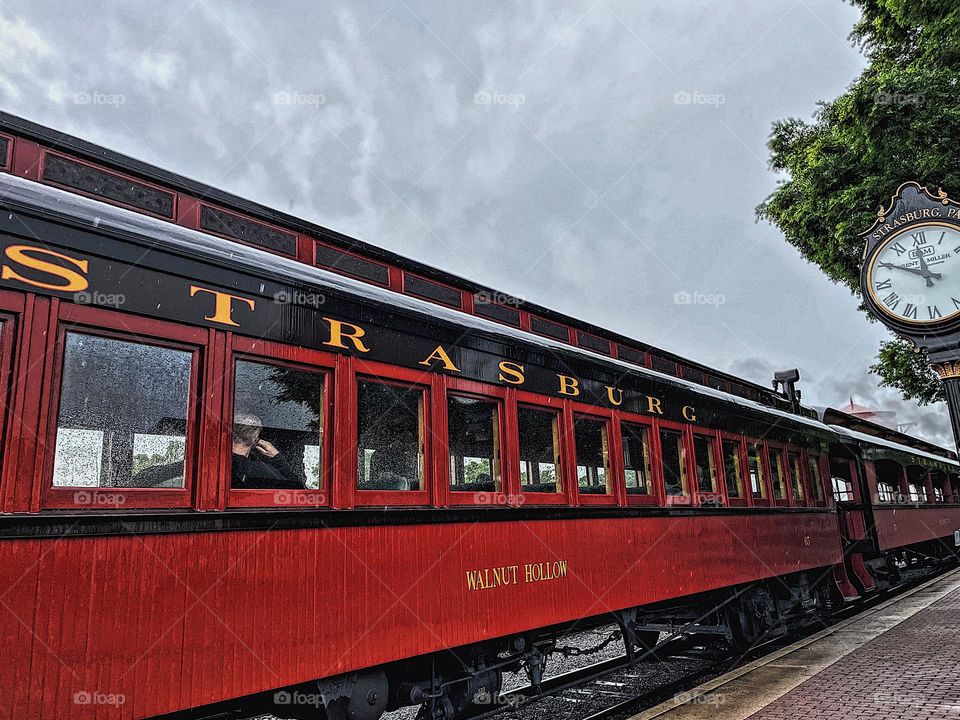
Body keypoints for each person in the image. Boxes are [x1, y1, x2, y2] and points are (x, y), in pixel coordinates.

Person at [231, 413, 305, 490]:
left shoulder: (220, 463)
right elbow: (298, 490)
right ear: (256, 441)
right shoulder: (262, 473)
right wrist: (278, 458)